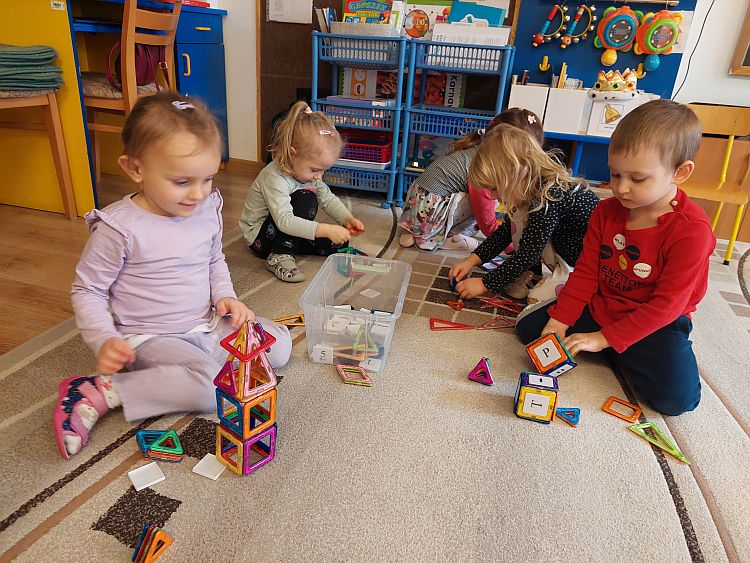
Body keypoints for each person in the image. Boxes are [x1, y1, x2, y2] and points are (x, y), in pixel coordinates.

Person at [55, 92, 292, 460]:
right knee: (210, 390)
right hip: (151, 337)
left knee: (278, 347)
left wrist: (225, 296)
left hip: (206, 324)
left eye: (207, 178)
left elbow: (213, 258)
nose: (197, 193)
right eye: (182, 181)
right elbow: (88, 290)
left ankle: (198, 367)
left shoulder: (206, 207)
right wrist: (104, 339)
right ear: (136, 169)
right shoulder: (119, 228)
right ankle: (101, 390)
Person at [516, 100, 714, 416]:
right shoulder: (606, 211)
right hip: (604, 305)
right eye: (615, 173)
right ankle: (609, 346)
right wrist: (559, 320)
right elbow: (586, 273)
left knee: (677, 400)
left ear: (680, 172)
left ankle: (612, 346)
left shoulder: (692, 231)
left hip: (657, 323)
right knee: (531, 330)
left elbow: (667, 306)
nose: (620, 188)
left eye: (638, 179)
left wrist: (604, 339)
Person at [449, 124, 599, 301]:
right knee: (516, 223)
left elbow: (528, 254)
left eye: (494, 188)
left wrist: (485, 284)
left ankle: (581, 291)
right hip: (566, 255)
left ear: (516, 173)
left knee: (537, 301)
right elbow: (505, 233)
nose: (492, 196)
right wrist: (471, 261)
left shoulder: (549, 196)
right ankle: (533, 274)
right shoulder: (529, 189)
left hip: (589, 269)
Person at [239, 101, 365, 282]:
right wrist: (323, 228)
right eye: (314, 170)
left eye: (324, 170)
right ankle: (279, 255)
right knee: (306, 199)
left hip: (285, 230)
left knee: (336, 241)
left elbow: (327, 199)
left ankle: (292, 245)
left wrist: (347, 219)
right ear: (293, 154)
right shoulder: (274, 178)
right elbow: (284, 221)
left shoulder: (309, 175)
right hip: (261, 238)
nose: (318, 176)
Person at [398, 108, 544, 252]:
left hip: (417, 207)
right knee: (485, 200)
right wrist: (509, 247)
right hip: (430, 210)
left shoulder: (477, 148)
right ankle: (437, 237)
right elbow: (485, 219)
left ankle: (416, 231)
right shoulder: (486, 166)